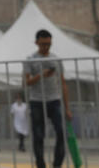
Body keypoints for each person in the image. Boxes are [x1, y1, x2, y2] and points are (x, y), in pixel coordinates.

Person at [24, 29, 72, 168]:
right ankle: (40, 164)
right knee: (39, 134)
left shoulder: (56, 59)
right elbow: (26, 82)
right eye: (43, 44)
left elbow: (63, 83)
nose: (46, 47)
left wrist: (67, 108)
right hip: (37, 100)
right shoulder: (30, 59)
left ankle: (57, 164)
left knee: (61, 131)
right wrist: (41, 75)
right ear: (36, 43)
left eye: (48, 44)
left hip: (54, 99)